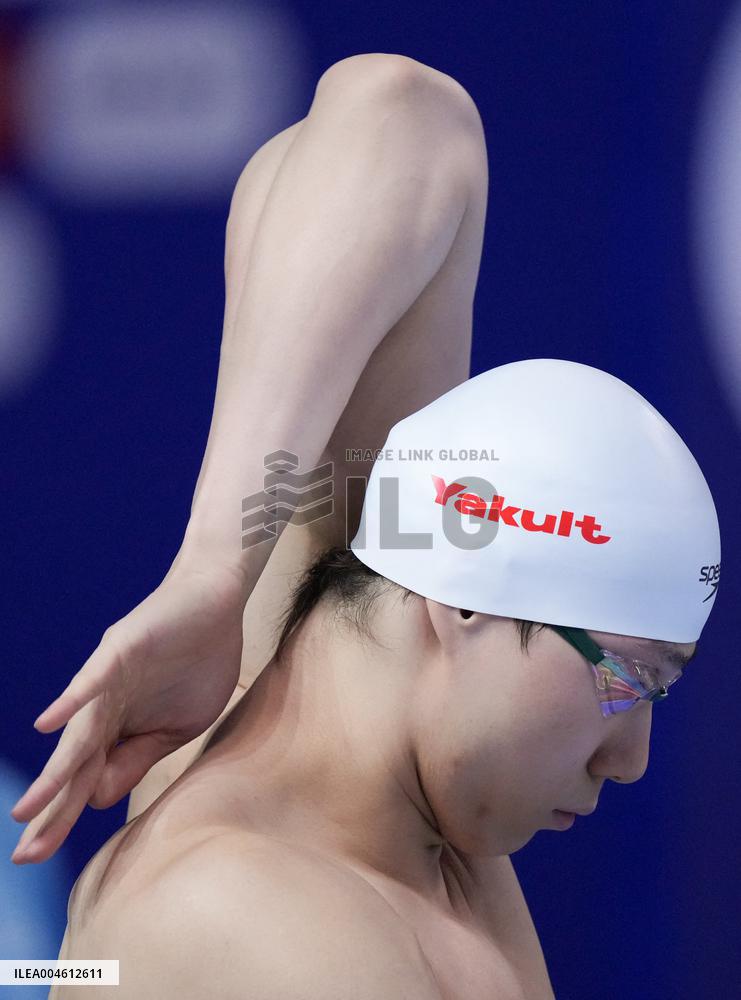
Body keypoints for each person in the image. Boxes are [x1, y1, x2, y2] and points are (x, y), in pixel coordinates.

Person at [11, 52, 717, 1000]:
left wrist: (221, 573)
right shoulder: (258, 921)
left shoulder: (334, 711)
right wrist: (212, 574)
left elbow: (408, 131)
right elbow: (394, 101)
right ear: (465, 599)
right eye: (630, 680)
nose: (626, 760)